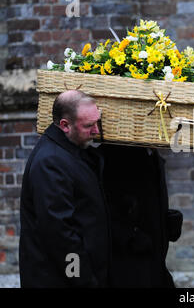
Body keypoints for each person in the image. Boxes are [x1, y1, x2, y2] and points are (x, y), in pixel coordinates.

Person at [19, 90, 110, 287]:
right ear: (65, 125)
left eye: (97, 122)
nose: (96, 131)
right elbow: (60, 236)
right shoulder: (50, 162)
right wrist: (84, 280)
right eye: (88, 125)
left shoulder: (70, 151)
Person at [100, 144, 183, 287]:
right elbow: (102, 209)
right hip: (129, 265)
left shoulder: (152, 154)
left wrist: (167, 222)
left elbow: (149, 202)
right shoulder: (113, 154)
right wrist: (130, 237)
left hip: (154, 260)